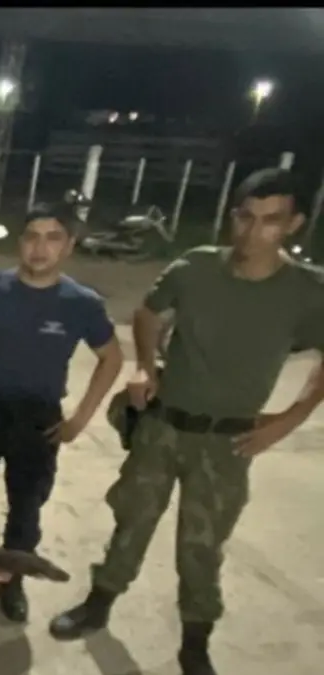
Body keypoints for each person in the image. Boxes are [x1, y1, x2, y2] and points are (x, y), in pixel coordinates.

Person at [48, 168, 324, 675]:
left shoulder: (307, 290)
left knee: (201, 547)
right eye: (245, 217)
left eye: (270, 220)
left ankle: (195, 642)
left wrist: (292, 417)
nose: (253, 231)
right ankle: (99, 604)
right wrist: (145, 365)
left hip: (229, 441)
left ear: (294, 224)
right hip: (163, 426)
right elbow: (148, 314)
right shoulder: (195, 267)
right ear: (232, 215)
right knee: (131, 521)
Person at [0, 202, 124, 623]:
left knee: (26, 511)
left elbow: (111, 357)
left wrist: (80, 419)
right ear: (20, 242)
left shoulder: (81, 303)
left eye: (53, 238)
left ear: (69, 246)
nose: (40, 247)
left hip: (39, 421)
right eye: (32, 236)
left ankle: (11, 582)